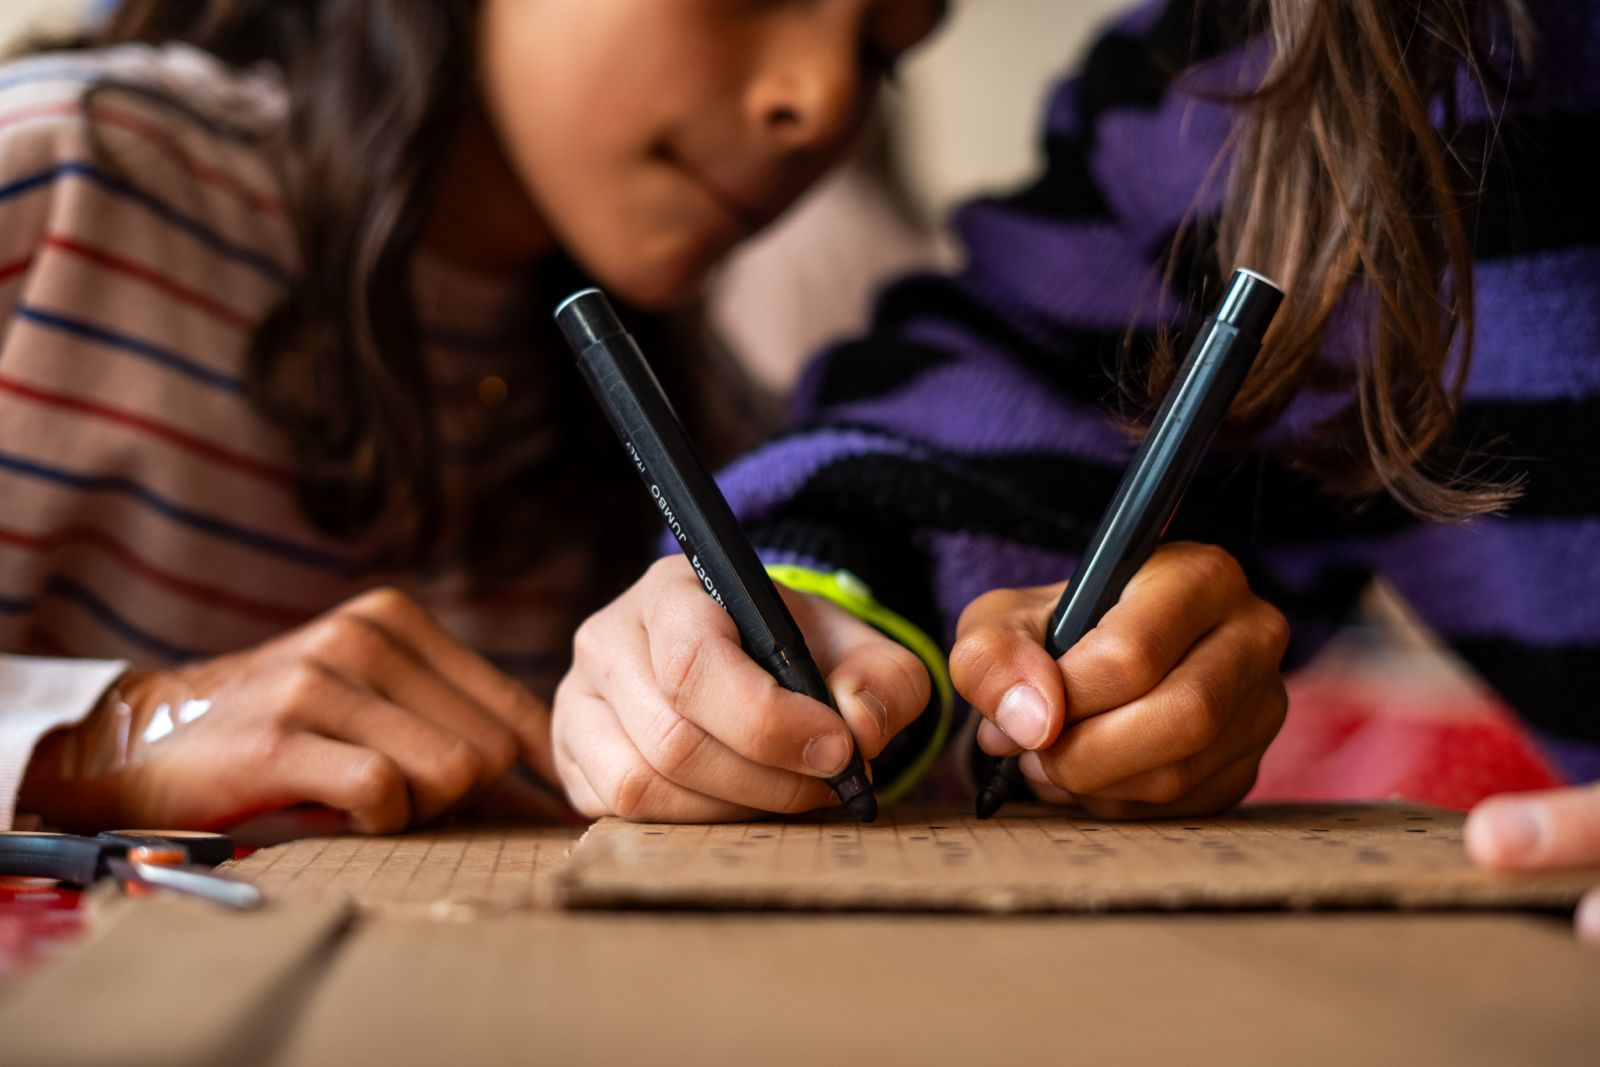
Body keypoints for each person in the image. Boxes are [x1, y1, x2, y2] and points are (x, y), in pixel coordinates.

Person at [554, 0, 1600, 941]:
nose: (828, 102)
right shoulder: (1232, 82)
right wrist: (824, 599)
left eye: (883, 57)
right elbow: (987, 413)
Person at [0, 0, 949, 834]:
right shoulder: (54, 179)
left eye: (883, 53)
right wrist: (103, 739)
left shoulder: (709, 417)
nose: (822, 103)